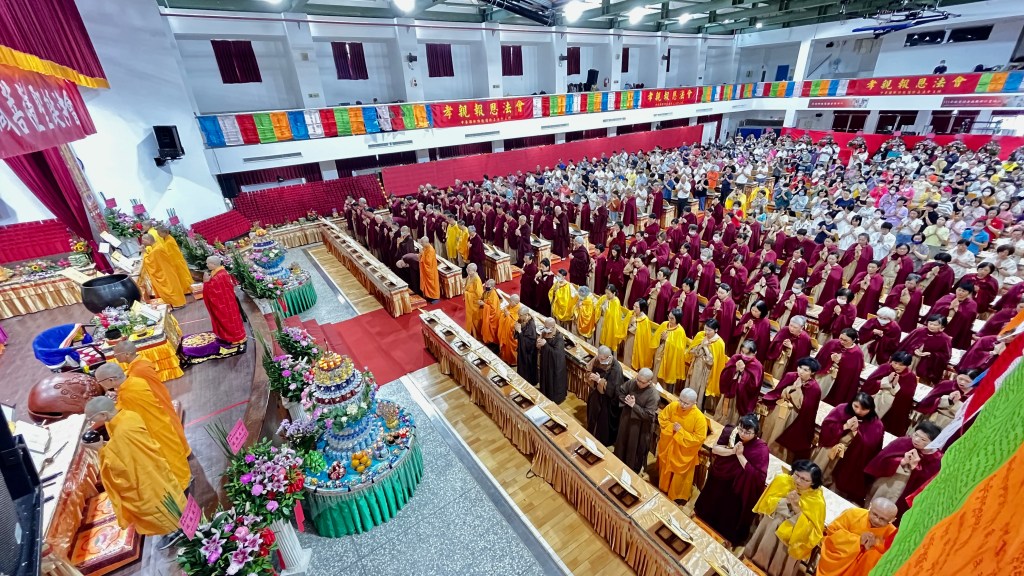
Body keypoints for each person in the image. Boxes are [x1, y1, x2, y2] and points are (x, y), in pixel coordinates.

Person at [84, 396, 186, 536]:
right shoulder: (129, 415)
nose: (91, 422)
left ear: (103, 414)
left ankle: (176, 530)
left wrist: (100, 450)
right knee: (170, 493)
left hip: (145, 477)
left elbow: (121, 468)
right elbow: (125, 450)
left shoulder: (122, 433)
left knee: (158, 504)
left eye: (91, 418)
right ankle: (181, 523)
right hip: (155, 465)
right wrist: (108, 446)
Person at [93, 364, 192, 491]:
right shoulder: (136, 381)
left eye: (100, 381)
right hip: (161, 423)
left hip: (152, 431)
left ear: (111, 380)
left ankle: (181, 486)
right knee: (174, 455)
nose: (100, 385)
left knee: (168, 460)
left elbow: (125, 415)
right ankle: (185, 478)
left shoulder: (128, 395)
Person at [694, 414, 770, 545]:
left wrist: (740, 455)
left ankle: (722, 537)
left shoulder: (761, 449)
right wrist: (732, 451)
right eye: (741, 429)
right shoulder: (730, 432)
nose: (743, 434)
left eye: (748, 432)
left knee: (727, 512)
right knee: (711, 501)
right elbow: (716, 450)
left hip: (737, 485)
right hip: (719, 476)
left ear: (756, 433)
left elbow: (758, 476)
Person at [747, 460, 827, 576]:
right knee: (761, 553)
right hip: (770, 526)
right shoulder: (783, 480)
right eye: (797, 475)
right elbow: (765, 504)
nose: (798, 481)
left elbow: (813, 532)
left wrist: (796, 507)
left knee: (778, 564)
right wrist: (785, 501)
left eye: (804, 479)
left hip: (790, 540)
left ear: (813, 483)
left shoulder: (817, 501)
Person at [111, 341, 184, 449]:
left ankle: (181, 449)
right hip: (160, 395)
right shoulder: (141, 361)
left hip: (156, 400)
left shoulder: (139, 369)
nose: (115, 357)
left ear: (126, 354)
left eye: (116, 355)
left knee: (168, 428)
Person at [814, 393, 885, 503]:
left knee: (836, 487)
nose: (858, 411)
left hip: (851, 459)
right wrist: (844, 427)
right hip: (830, 451)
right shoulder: (841, 409)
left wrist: (857, 433)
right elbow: (827, 427)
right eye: (856, 406)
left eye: (863, 409)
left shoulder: (876, 425)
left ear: (871, 409)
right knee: (818, 476)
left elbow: (871, 447)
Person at [865, 422, 943, 519]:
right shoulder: (903, 442)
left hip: (904, 492)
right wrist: (901, 461)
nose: (916, 440)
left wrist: (916, 468)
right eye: (916, 435)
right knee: (873, 507)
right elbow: (882, 459)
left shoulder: (936, 460)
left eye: (923, 439)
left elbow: (927, 483)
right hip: (887, 482)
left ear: (934, 443)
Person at [816, 498, 899, 576]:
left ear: (892, 520)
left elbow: (892, 559)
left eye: (883, 519)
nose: (876, 520)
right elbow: (832, 531)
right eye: (875, 514)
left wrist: (875, 545)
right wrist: (857, 540)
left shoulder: (893, 535)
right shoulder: (853, 514)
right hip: (838, 563)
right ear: (870, 507)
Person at [761, 357, 822, 462]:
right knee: (769, 430)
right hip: (779, 408)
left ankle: (775, 458)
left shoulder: (814, 388)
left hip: (793, 415)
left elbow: (805, 407)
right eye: (800, 368)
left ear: (812, 373)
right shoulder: (790, 376)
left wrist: (796, 389)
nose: (801, 372)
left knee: (780, 436)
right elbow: (778, 391)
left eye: (806, 370)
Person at [656, 389, 708, 503]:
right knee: (665, 469)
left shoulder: (699, 418)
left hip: (683, 452)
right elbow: (662, 418)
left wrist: (680, 432)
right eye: (681, 401)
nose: (682, 405)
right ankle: (663, 488)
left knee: (679, 478)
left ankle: (677, 496)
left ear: (694, 403)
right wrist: (672, 428)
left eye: (686, 403)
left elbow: (699, 438)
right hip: (669, 446)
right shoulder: (673, 406)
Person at [860, 350, 919, 435]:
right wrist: (886, 381)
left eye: (901, 365)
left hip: (894, 409)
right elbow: (869, 383)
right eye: (895, 363)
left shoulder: (910, 377)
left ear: (907, 365)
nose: (897, 366)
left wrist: (894, 386)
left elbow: (907, 395)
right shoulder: (885, 368)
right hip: (877, 403)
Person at [614, 367, 660, 474]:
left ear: (649, 382)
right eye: (637, 379)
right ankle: (617, 463)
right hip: (626, 419)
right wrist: (626, 400)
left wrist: (634, 406)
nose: (638, 383)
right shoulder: (633, 382)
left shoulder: (654, 395)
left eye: (642, 382)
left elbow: (649, 416)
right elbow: (621, 391)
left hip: (640, 427)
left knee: (634, 448)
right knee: (621, 443)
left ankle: (631, 472)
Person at [200, 255, 246, 345]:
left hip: (225, 304)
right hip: (228, 302)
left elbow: (212, 291)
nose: (206, 265)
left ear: (213, 264)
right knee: (233, 320)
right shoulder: (219, 272)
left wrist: (206, 282)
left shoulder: (219, 276)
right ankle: (238, 336)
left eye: (208, 263)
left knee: (229, 320)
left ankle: (236, 338)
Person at [716, 340, 764, 426]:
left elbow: (753, 387)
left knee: (734, 420)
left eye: (747, 354)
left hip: (741, 397)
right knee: (722, 416)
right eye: (742, 352)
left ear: (755, 353)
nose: (744, 356)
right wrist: (735, 369)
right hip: (730, 392)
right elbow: (724, 375)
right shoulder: (735, 358)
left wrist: (743, 372)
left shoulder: (757, 366)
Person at [585, 346, 625, 445]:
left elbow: (614, 389)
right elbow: (588, 368)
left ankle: (602, 440)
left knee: (603, 422)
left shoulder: (616, 369)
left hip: (608, 401)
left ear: (609, 357)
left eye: (602, 359)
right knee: (593, 414)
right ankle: (591, 433)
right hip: (597, 395)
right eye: (599, 357)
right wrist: (590, 376)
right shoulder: (598, 359)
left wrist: (599, 380)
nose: (600, 360)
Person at [896, 315, 952, 384]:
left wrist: (931, 354)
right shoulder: (919, 331)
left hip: (926, 366)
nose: (931, 326)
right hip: (911, 360)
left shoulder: (945, 339)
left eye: (935, 325)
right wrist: (913, 349)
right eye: (930, 323)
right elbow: (904, 344)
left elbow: (946, 356)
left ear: (942, 327)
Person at [684, 318, 727, 409]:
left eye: (709, 330)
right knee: (691, 387)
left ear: (716, 330)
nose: (706, 332)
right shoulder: (700, 335)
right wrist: (699, 347)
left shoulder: (719, 343)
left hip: (706, 372)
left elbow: (712, 362)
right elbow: (691, 350)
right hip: (695, 366)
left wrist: (706, 348)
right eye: (705, 328)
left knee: (701, 393)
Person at [818, 328, 866, 406]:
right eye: (841, 338)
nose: (842, 342)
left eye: (845, 340)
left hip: (839, 379)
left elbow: (852, 371)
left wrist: (840, 362)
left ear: (853, 340)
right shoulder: (833, 343)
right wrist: (830, 359)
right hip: (825, 374)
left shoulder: (857, 353)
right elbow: (821, 357)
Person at [139, 234, 186, 308]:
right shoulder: (157, 246)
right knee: (172, 287)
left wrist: (143, 253)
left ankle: (177, 304)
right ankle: (178, 303)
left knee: (170, 288)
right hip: (167, 271)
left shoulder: (156, 250)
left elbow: (149, 262)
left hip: (164, 273)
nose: (142, 242)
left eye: (143, 240)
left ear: (148, 240)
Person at [652, 308, 690, 392]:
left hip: (670, 358)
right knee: (656, 372)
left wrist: (667, 340)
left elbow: (679, 349)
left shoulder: (680, 331)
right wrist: (661, 338)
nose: (669, 320)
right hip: (660, 353)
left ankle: (663, 395)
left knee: (666, 377)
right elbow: (655, 337)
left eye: (672, 318)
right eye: (669, 317)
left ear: (678, 319)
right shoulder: (664, 324)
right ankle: (653, 391)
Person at [155, 225, 194, 296]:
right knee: (181, 276)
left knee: (182, 276)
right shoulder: (167, 238)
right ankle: (186, 289)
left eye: (159, 233)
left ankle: (186, 290)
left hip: (176, 261)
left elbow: (168, 253)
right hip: (176, 260)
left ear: (164, 232)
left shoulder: (168, 241)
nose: (158, 235)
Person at [537, 318, 567, 404]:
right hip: (545, 362)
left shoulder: (559, 338)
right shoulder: (544, 332)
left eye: (547, 327)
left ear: (553, 327)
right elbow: (539, 345)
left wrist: (545, 344)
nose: (545, 329)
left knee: (552, 382)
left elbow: (557, 354)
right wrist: (539, 343)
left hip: (554, 366)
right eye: (544, 326)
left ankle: (554, 398)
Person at [624, 298, 656, 370]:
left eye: (636, 307)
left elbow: (643, 335)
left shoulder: (645, 320)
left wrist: (634, 324)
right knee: (627, 356)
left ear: (641, 308)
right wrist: (630, 323)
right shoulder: (632, 314)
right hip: (629, 338)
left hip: (637, 342)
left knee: (632, 359)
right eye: (634, 306)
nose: (634, 308)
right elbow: (625, 326)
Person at [514, 308, 538, 385]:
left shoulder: (531, 325)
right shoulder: (522, 320)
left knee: (528, 368)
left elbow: (529, 342)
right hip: (522, 350)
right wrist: (517, 330)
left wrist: (520, 332)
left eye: (520, 315)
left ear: (526, 315)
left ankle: (529, 383)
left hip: (528, 353)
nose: (519, 317)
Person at [497, 294, 521, 364]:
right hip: (506, 331)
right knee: (505, 347)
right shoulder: (511, 306)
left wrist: (507, 316)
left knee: (511, 348)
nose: (509, 302)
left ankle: (513, 361)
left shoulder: (519, 310)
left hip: (512, 334)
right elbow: (504, 310)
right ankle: (505, 357)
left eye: (510, 301)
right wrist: (505, 313)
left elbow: (516, 323)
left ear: (515, 302)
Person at [463, 263, 484, 338]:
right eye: (467, 269)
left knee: (475, 320)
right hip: (470, 302)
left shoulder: (477, 280)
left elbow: (479, 295)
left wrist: (467, 294)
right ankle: (471, 332)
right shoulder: (469, 276)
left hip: (474, 303)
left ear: (474, 271)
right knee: (470, 318)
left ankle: (477, 335)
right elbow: (466, 287)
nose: (467, 271)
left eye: (469, 270)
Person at [480, 279, 501, 346]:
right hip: (487, 314)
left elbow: (493, 309)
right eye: (486, 284)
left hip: (493, 316)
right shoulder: (487, 291)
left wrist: (484, 304)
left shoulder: (494, 295)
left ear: (492, 287)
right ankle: (488, 340)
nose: (486, 286)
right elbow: (484, 298)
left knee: (491, 331)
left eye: (487, 285)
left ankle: (492, 342)